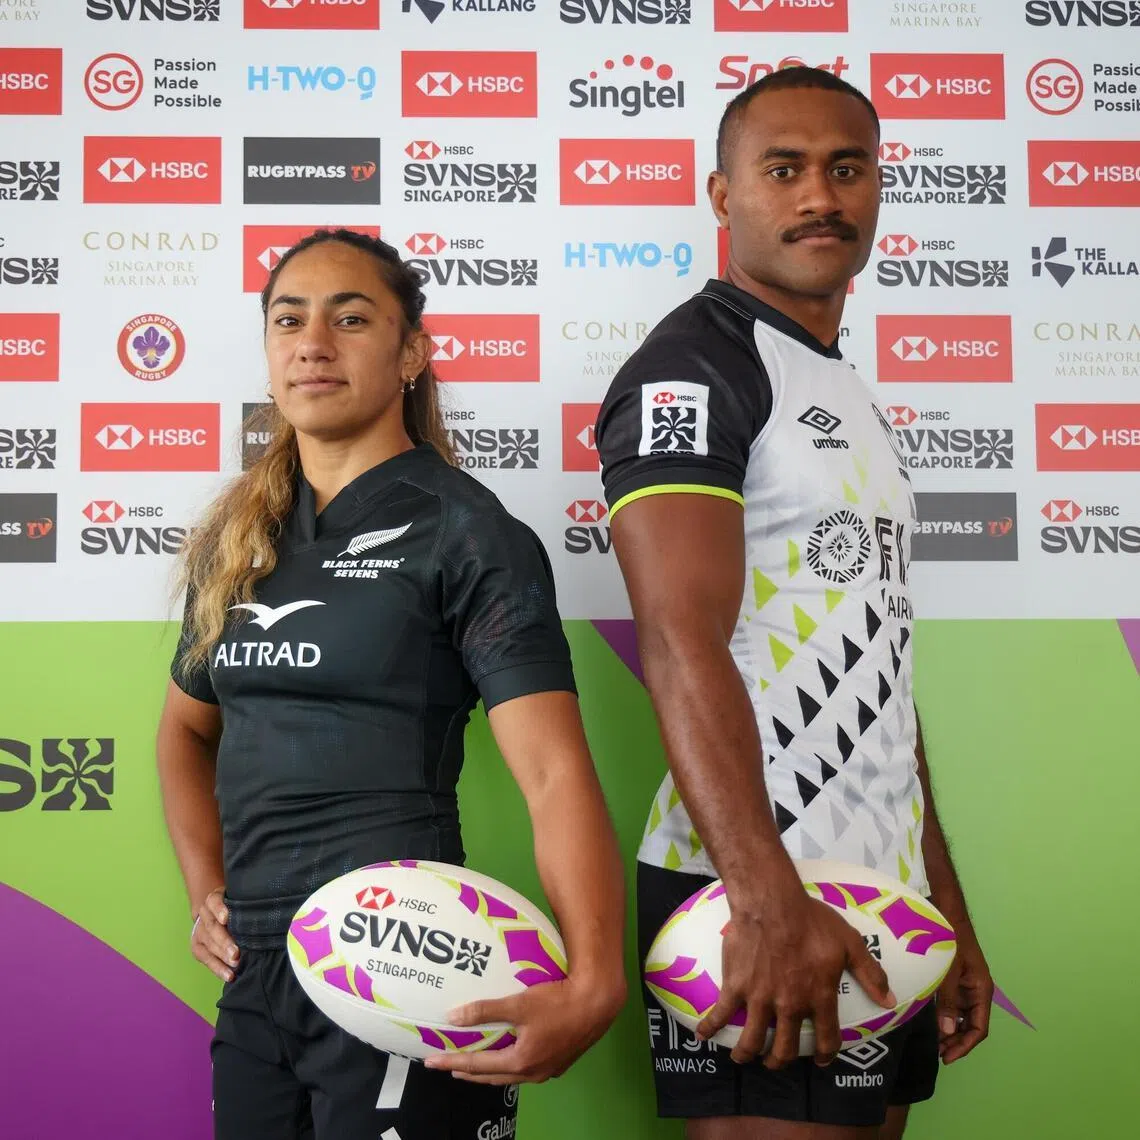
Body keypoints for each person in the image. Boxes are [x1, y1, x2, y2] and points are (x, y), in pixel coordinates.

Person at [156, 229, 627, 1140]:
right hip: (257, 979)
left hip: (405, 966)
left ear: (412, 352)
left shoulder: (468, 532)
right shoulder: (240, 540)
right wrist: (204, 884)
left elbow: (554, 775)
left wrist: (597, 977)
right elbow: (185, 731)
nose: (313, 342)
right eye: (288, 320)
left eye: (352, 318)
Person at [595, 68, 993, 1139]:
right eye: (783, 169)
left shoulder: (841, 387)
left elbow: (878, 675)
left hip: (876, 893)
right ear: (723, 197)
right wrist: (768, 901)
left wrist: (937, 901)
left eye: (846, 167)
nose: (821, 194)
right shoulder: (692, 369)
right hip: (751, 899)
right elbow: (678, 645)